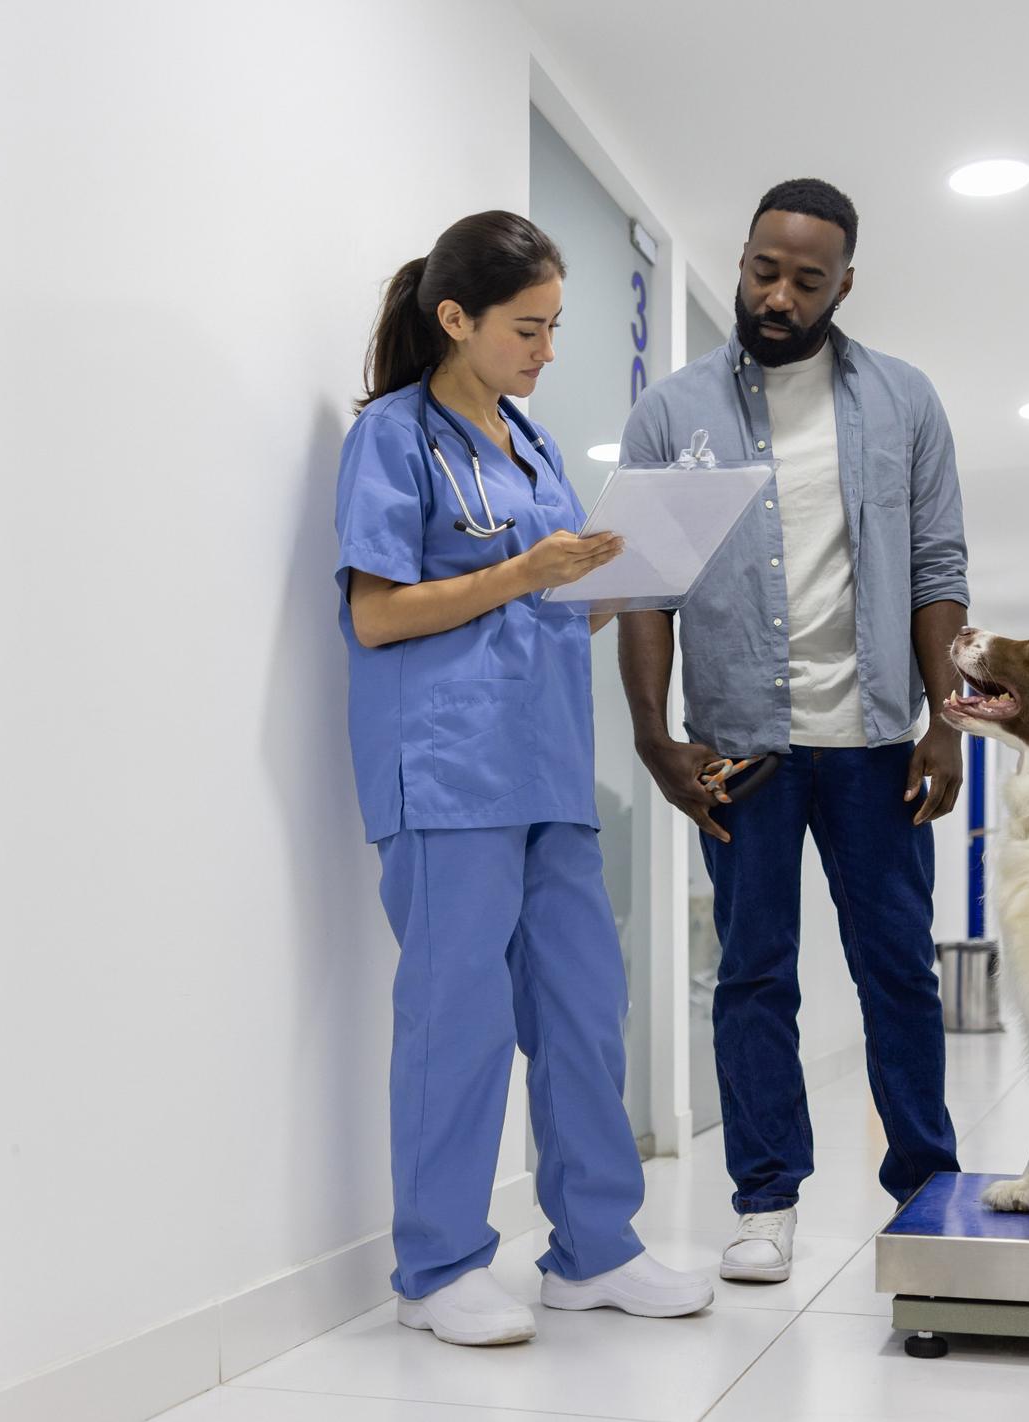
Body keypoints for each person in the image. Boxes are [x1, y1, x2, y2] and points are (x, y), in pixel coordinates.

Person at [335, 211, 713, 1346]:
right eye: (528, 328)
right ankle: (437, 1270)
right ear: (454, 319)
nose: (547, 351)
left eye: (555, 329)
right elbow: (375, 612)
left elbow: (546, 608)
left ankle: (593, 1252)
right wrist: (523, 572)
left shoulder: (532, 446)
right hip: (446, 770)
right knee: (456, 1023)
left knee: (582, 1015)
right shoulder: (393, 437)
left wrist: (631, 568)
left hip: (547, 767)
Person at [617, 179, 969, 1285]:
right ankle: (764, 1200)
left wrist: (944, 720)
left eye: (804, 280)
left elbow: (936, 572)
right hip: (742, 747)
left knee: (897, 974)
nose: (775, 294)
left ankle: (924, 1186)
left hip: (872, 742)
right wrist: (651, 736)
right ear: (743, 256)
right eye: (763, 269)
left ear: (843, 285)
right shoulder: (675, 413)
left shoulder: (904, 403)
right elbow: (642, 591)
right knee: (754, 976)